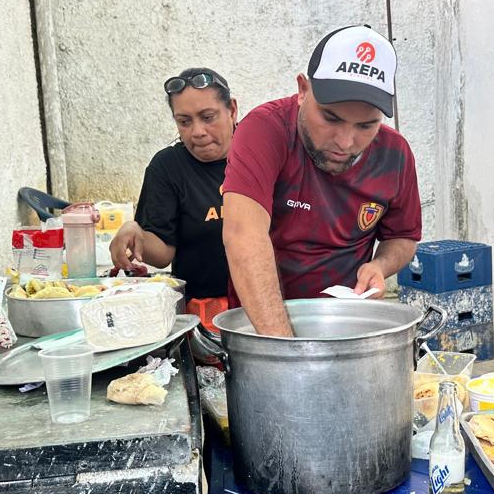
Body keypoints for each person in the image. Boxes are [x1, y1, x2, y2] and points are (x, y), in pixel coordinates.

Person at [221, 25, 422, 336]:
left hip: (345, 327)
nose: (345, 141)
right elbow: (243, 235)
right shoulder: (264, 130)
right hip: (260, 326)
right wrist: (285, 351)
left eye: (366, 125)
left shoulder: (395, 154)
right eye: (331, 118)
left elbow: (404, 238)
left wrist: (380, 266)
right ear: (303, 90)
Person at [109, 67, 237, 330]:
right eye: (184, 121)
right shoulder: (168, 167)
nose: (197, 131)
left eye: (208, 117)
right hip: (202, 317)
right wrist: (137, 233)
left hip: (267, 304)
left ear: (232, 110)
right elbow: (162, 253)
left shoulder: (259, 153)